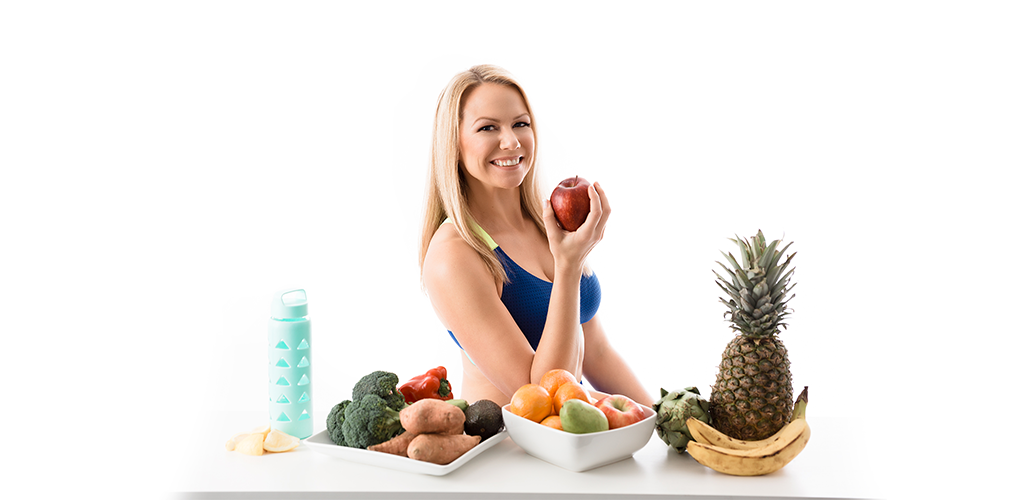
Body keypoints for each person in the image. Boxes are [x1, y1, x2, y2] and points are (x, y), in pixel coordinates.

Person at [418, 64, 653, 408]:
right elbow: (543, 394)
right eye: (488, 128)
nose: (511, 141)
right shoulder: (453, 255)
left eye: (520, 123)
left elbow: (597, 353)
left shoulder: (550, 225)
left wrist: (665, 422)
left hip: (574, 443)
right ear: (453, 144)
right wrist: (569, 266)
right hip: (508, 453)